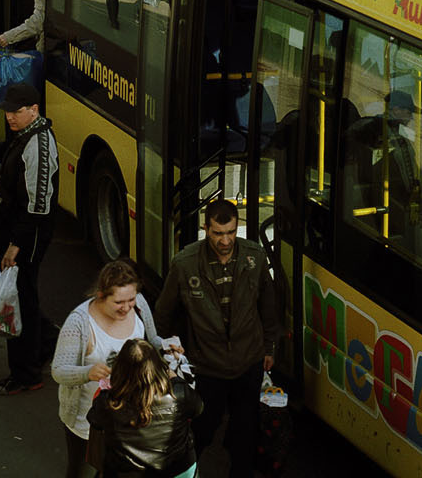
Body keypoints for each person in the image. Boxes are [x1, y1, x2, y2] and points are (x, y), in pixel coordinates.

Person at [155, 200, 281, 478]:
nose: (225, 241)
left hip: (248, 363)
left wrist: (269, 346)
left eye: (231, 233)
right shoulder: (185, 264)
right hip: (207, 367)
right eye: (217, 234)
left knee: (246, 431)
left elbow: (268, 307)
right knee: (202, 429)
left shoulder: (255, 257)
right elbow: (163, 315)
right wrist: (171, 353)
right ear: (205, 229)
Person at [0, 82, 59, 395]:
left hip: (25, 239)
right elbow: (12, 147)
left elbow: (39, 205)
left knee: (20, 302)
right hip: (11, 232)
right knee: (25, 295)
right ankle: (45, 341)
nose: (9, 117)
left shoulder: (41, 145)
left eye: (16, 112)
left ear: (34, 109)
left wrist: (16, 245)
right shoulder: (28, 133)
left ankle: (25, 375)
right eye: (7, 111)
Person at [51, 261, 171, 478]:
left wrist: (167, 346)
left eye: (130, 300)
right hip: (88, 423)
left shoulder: (140, 304)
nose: (126, 307)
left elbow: (151, 340)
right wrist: (87, 373)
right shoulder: (78, 323)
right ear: (100, 296)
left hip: (129, 417)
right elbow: (58, 371)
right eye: (118, 302)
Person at [90, 339, 200, 478]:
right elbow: (198, 409)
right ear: (158, 366)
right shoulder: (178, 393)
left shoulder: (108, 401)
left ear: (119, 368)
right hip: (177, 470)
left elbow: (94, 420)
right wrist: (175, 378)